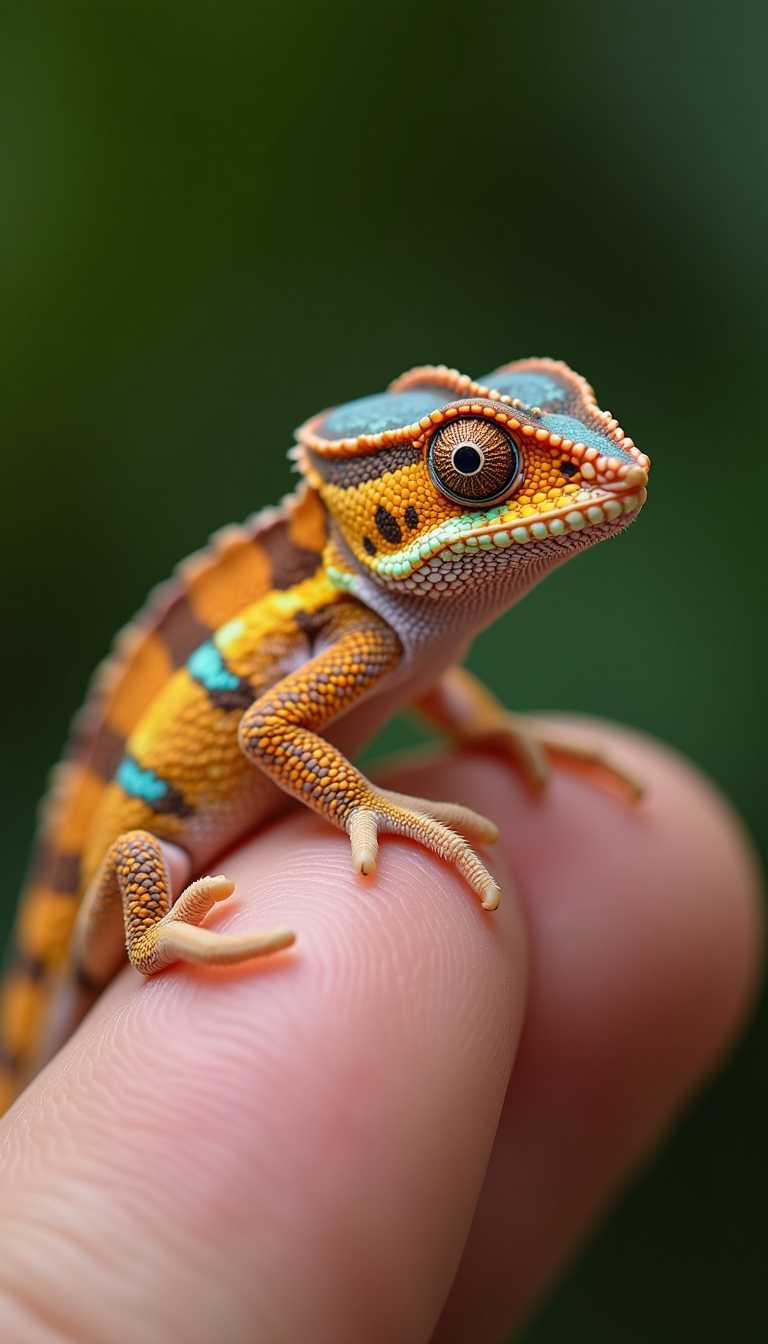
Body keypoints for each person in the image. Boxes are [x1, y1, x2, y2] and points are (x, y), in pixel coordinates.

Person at [0, 719, 760, 1343]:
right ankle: (148, 935)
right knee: (143, 855)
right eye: (472, 516)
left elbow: (425, 672)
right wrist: (356, 801)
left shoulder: (400, 638)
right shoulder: (348, 630)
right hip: (124, 885)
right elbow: (266, 730)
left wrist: (482, 729)